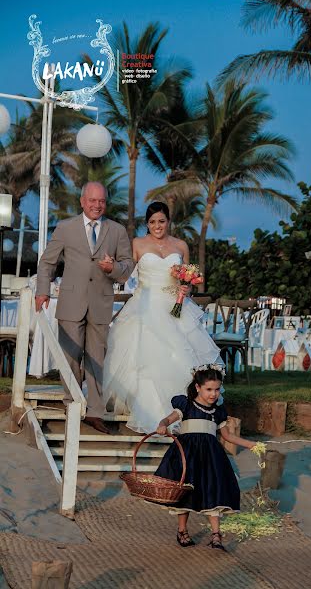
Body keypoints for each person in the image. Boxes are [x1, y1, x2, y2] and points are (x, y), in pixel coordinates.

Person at [103, 201, 222, 433]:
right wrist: (111, 267)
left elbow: (191, 278)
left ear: (168, 221)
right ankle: (147, 410)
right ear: (147, 224)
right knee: (146, 360)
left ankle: (183, 410)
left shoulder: (180, 245)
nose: (157, 226)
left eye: (161, 221)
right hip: (145, 306)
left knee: (180, 355)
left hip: (176, 306)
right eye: (152, 222)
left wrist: (188, 288)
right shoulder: (137, 243)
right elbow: (124, 272)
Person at [35, 182, 134, 434]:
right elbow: (47, 262)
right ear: (82, 201)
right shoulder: (66, 228)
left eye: (101, 201)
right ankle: (72, 406)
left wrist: (112, 269)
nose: (97, 205)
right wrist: (43, 290)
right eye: (92, 200)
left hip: (101, 303)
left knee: (96, 359)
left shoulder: (117, 230)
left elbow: (127, 267)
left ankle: (95, 413)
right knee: (70, 358)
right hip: (70, 302)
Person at [154, 365, 257, 550]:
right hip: (187, 455)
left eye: (217, 389)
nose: (213, 394)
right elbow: (168, 420)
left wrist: (250, 444)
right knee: (184, 491)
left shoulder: (218, 412)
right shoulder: (186, 405)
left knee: (213, 489)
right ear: (197, 387)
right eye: (209, 389)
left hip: (211, 457)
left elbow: (227, 436)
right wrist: (162, 425)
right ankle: (182, 530)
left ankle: (216, 534)